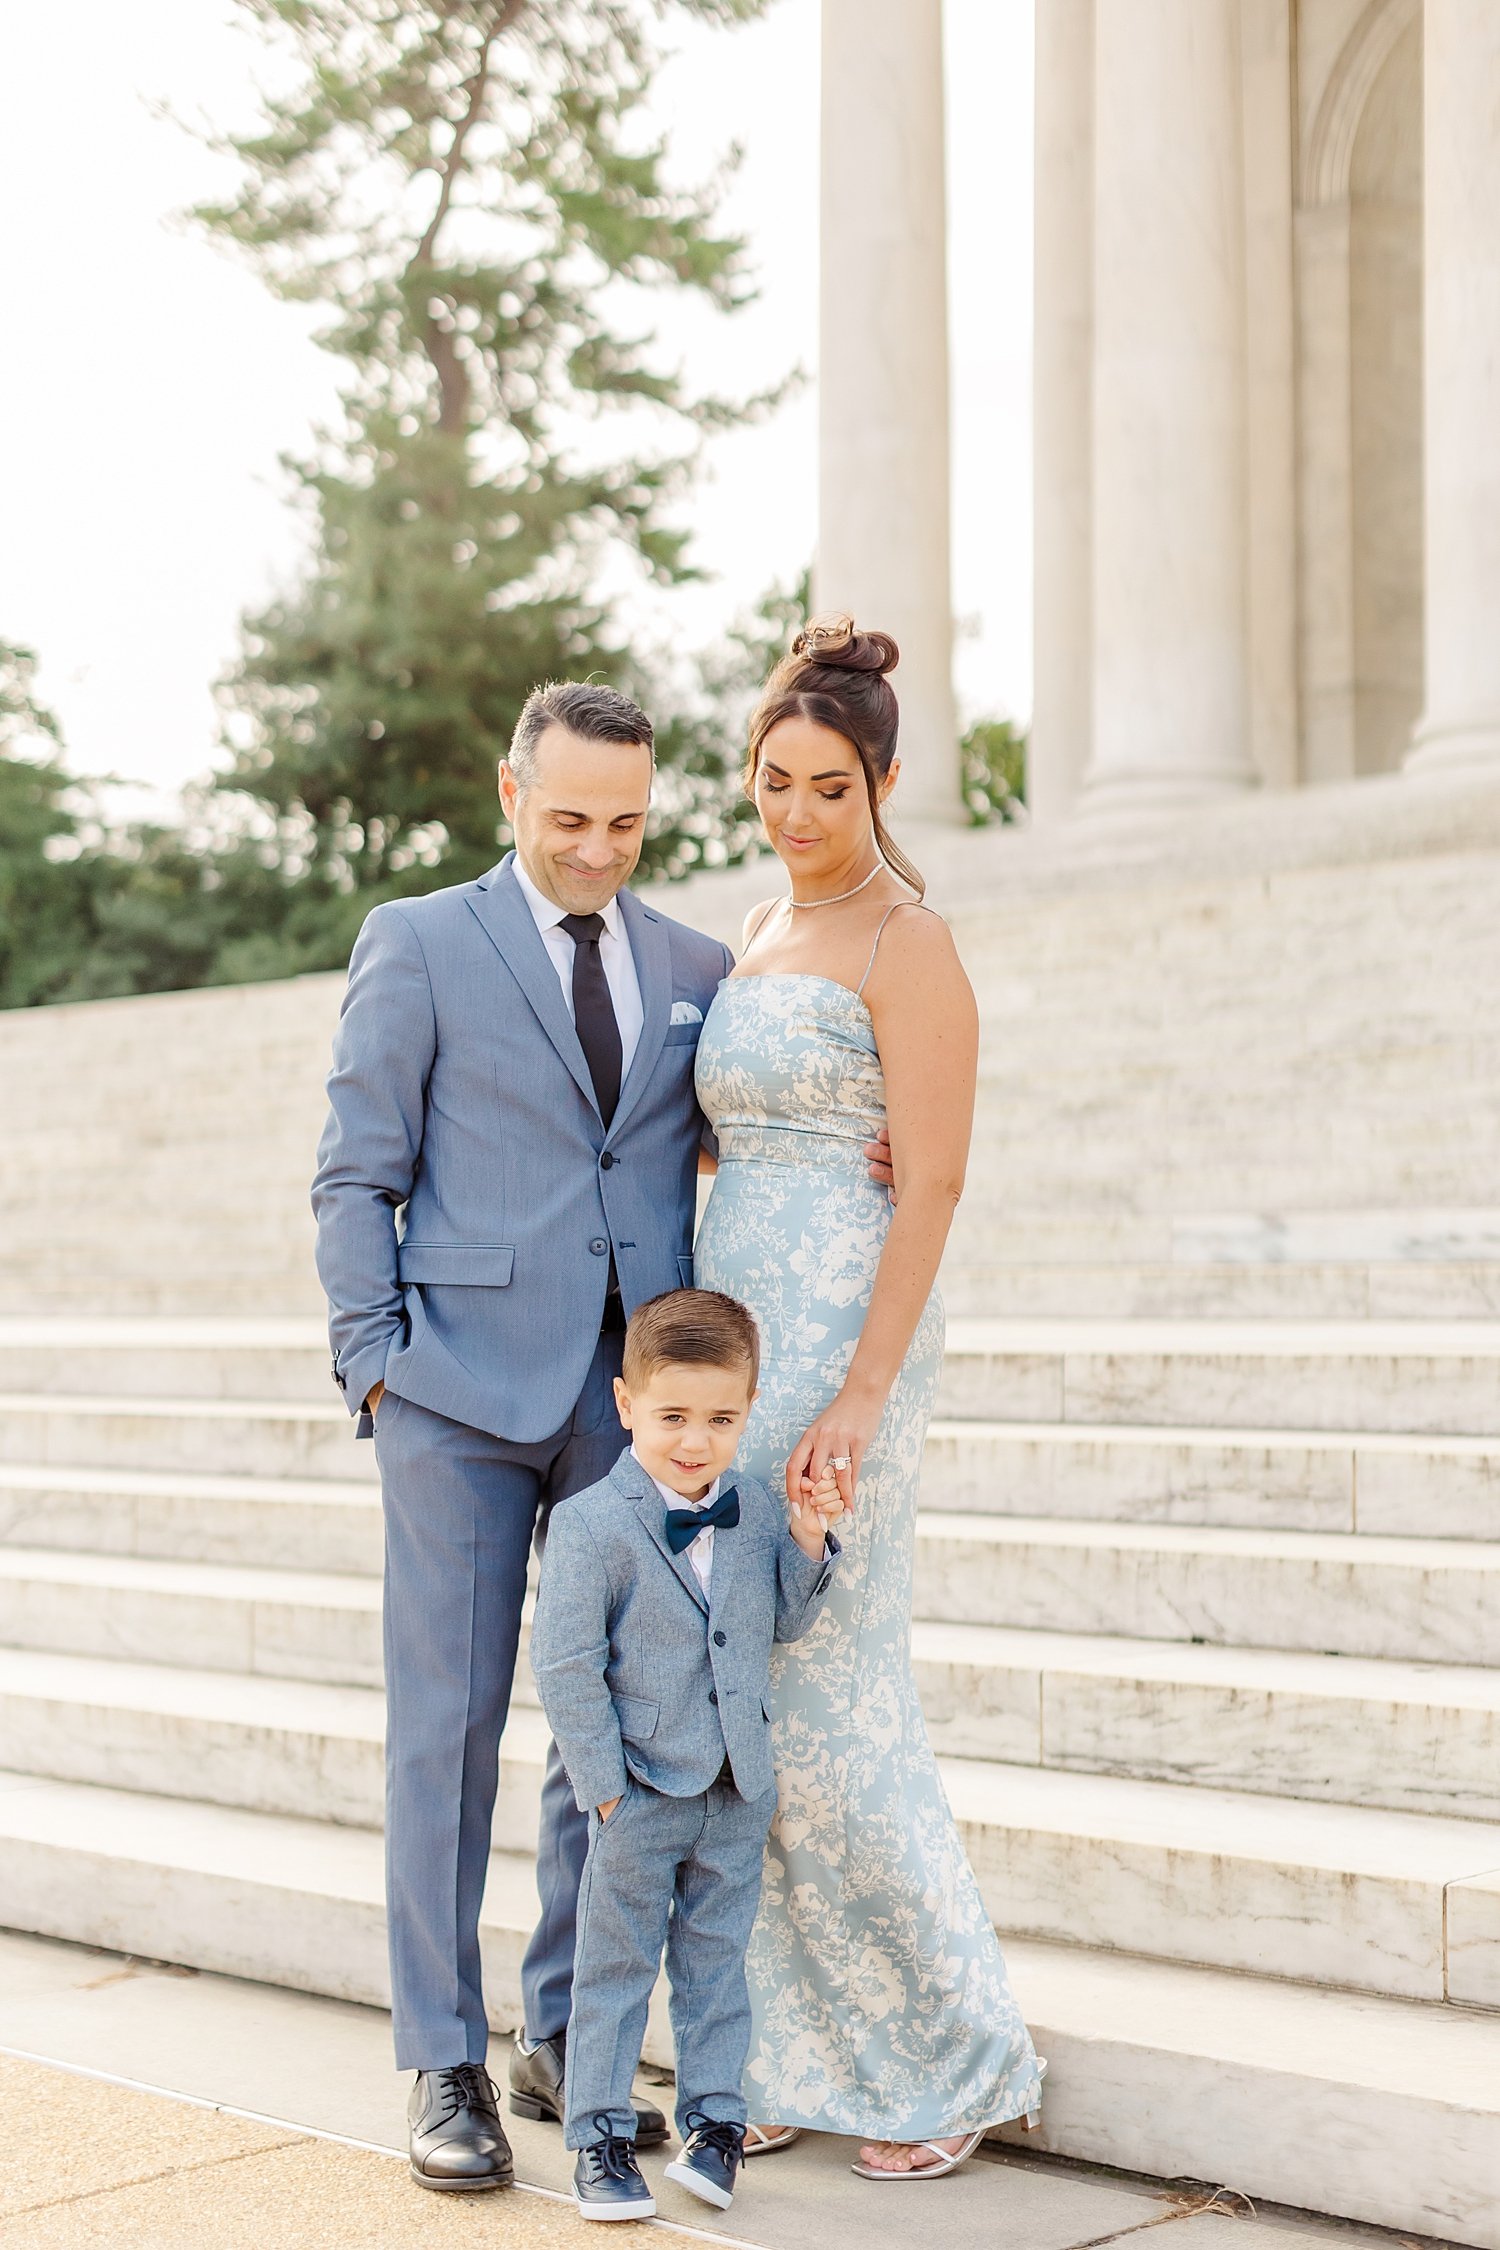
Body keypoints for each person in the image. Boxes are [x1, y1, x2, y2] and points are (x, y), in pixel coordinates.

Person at [311, 678, 894, 2193]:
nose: (596, 849)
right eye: (568, 817)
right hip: (452, 1396)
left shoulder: (699, 961)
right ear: (512, 795)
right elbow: (353, 1171)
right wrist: (375, 1365)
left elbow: (728, 1115)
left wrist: (862, 1133)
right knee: (445, 1729)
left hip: (625, 1406)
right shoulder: (419, 941)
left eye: (626, 822)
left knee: (609, 1738)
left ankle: (565, 2029)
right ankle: (443, 2053)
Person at [693, 613, 1045, 2180]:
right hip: (732, 1344)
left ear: (884, 780)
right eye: (774, 779)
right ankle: (776, 2049)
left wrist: (861, 1392)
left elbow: (938, 1181)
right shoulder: (756, 937)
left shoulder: (914, 944)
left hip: (851, 1343)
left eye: (828, 785)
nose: (796, 811)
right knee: (744, 1699)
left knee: (839, 1702)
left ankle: (953, 2052)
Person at [530, 1288, 843, 2221]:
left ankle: (715, 2126)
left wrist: (808, 1536)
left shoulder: (749, 1509)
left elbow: (783, 1621)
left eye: (720, 1419)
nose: (695, 1441)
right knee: (615, 1967)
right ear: (626, 1405)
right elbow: (566, 1667)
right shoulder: (592, 1525)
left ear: (748, 1410)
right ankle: (597, 2136)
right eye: (672, 1416)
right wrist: (606, 1791)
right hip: (638, 1790)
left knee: (717, 1964)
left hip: (736, 1786)